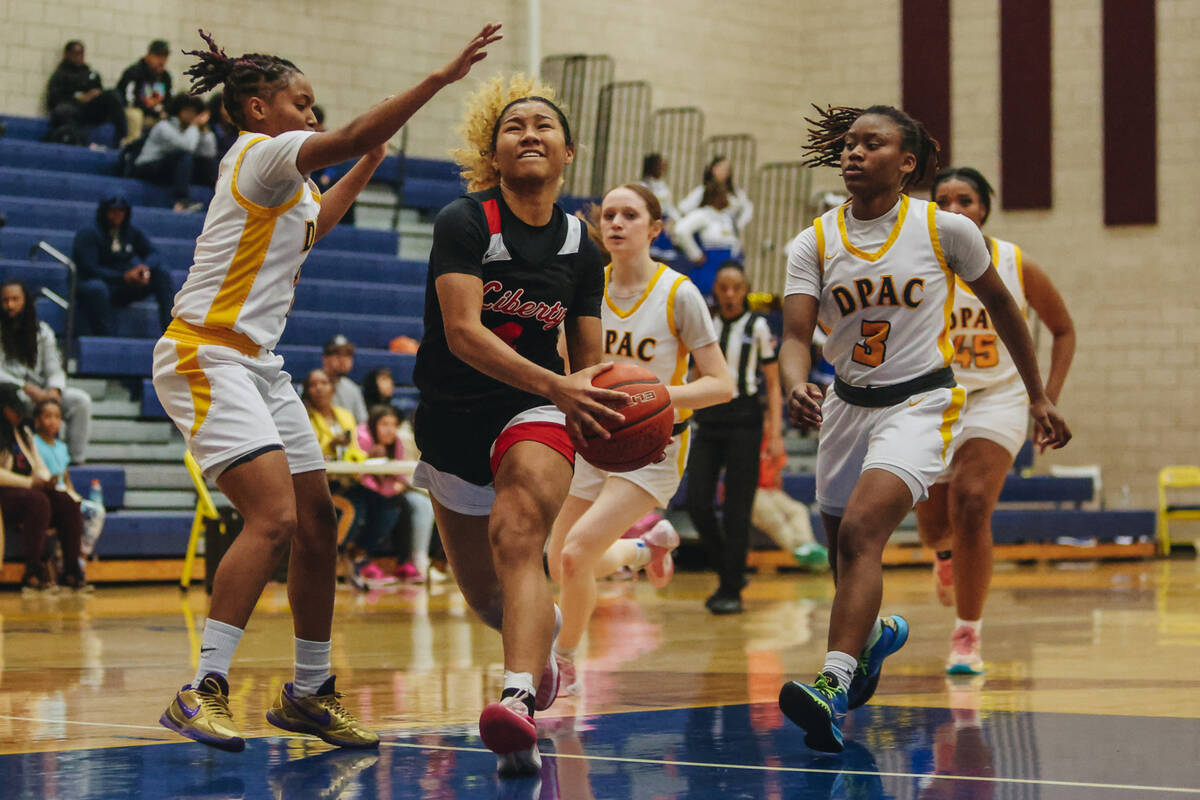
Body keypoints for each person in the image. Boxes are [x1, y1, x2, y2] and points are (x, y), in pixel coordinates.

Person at [150, 24, 501, 753]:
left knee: (318, 522)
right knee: (273, 518)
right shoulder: (260, 155)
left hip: (259, 362)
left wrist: (371, 160)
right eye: (300, 102)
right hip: (204, 353)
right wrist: (435, 81)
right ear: (257, 109)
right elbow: (343, 136)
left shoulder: (287, 185)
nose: (312, 115)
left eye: (315, 106)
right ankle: (202, 688)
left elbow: (317, 225)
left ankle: (309, 693)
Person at [776, 104, 1071, 753]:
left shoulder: (944, 231)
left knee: (861, 533)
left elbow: (1002, 306)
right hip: (847, 406)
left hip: (921, 402)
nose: (853, 153)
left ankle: (832, 683)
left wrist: (1038, 396)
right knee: (844, 551)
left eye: (871, 143)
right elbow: (795, 336)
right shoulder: (814, 242)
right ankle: (875, 636)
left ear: (906, 161)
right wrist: (796, 381)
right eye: (848, 144)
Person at [410, 75, 628, 777]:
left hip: (531, 412)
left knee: (519, 530)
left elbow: (589, 363)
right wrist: (559, 382)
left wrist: (596, 405)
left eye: (543, 125)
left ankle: (517, 703)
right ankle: (546, 634)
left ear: (568, 151)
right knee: (488, 597)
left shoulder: (583, 247)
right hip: (452, 418)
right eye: (513, 127)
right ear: (493, 154)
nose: (529, 133)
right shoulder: (465, 221)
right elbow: (463, 333)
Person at [546, 183, 733, 693]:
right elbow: (567, 369)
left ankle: (562, 663)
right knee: (559, 557)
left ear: (655, 228)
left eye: (630, 214)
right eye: (608, 214)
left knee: (576, 553)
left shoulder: (680, 294)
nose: (616, 223)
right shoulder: (586, 290)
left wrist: (652, 397)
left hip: (654, 446)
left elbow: (722, 383)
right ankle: (644, 548)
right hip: (593, 438)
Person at [916, 166, 1075, 675]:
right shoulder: (918, 262)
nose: (955, 208)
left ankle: (968, 636)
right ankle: (944, 557)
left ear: (984, 207)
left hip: (998, 397)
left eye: (966, 199)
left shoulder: (1012, 261)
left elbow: (1063, 330)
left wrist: (1044, 398)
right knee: (934, 529)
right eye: (943, 200)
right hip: (933, 397)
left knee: (973, 501)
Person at [685, 262, 783, 614]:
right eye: (723, 287)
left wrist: (775, 434)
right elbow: (695, 373)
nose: (729, 294)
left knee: (737, 510)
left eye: (735, 288)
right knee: (697, 501)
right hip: (709, 420)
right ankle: (731, 569)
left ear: (745, 291)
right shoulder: (705, 324)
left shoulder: (758, 326)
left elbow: (772, 382)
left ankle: (730, 590)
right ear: (716, 290)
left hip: (745, 421)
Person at [0, 384, 88, 592]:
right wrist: (31, 483)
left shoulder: (24, 433)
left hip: (27, 491)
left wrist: (46, 479)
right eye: (15, 409)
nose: (20, 413)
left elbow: (39, 466)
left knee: (67, 502)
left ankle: (71, 571)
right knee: (37, 501)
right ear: (4, 409)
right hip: (5, 493)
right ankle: (33, 572)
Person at [0, 280, 93, 464]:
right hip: (12, 394)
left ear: (25, 301)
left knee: (80, 401)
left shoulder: (42, 332)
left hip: (42, 394)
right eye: (5, 300)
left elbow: (54, 368)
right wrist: (25, 387)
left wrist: (54, 390)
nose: (10, 305)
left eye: (15, 299)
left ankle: (74, 461)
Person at [349, 404, 435, 583]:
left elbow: (399, 473)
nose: (390, 430)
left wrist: (396, 487)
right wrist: (387, 490)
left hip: (387, 490)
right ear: (374, 424)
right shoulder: (362, 437)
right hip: (361, 488)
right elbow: (360, 473)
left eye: (393, 424)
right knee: (387, 508)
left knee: (403, 506)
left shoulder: (396, 441)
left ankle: (405, 562)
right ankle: (361, 558)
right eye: (384, 424)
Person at [72, 196, 175, 336]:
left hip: (122, 286)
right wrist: (123, 277)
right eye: (113, 211)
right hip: (97, 285)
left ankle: (171, 331)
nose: (117, 215)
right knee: (97, 288)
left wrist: (144, 267)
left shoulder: (130, 232)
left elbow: (154, 253)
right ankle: (107, 340)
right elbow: (89, 269)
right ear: (104, 211)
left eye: (121, 211)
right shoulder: (89, 233)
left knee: (161, 273)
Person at [133, 93, 219, 213]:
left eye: (194, 112)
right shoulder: (164, 127)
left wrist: (204, 130)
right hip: (148, 166)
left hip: (170, 168)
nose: (190, 115)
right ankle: (182, 201)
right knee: (185, 157)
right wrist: (194, 126)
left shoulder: (190, 130)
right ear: (178, 111)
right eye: (187, 111)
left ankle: (219, 199)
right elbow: (187, 147)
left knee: (206, 163)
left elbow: (209, 152)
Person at [44, 41, 127, 147]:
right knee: (62, 110)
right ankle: (79, 141)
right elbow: (53, 99)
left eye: (81, 53)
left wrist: (96, 95)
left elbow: (99, 91)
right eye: (75, 53)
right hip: (72, 110)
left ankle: (121, 139)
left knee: (113, 95)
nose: (79, 57)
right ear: (67, 54)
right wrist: (78, 98)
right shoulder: (60, 75)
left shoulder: (91, 74)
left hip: (90, 110)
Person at [672, 181, 742, 294]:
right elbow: (680, 230)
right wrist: (696, 255)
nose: (727, 198)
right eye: (724, 194)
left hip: (727, 265)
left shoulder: (725, 216)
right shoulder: (703, 214)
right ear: (715, 196)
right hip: (709, 267)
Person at [301, 369, 366, 464]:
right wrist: (331, 446)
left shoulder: (346, 415)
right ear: (307, 392)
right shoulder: (304, 419)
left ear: (333, 388)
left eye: (324, 383)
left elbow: (355, 448)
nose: (319, 388)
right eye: (313, 385)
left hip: (349, 472)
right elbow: (306, 454)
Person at [678, 155, 753, 236]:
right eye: (721, 169)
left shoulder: (736, 193)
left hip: (728, 231)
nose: (724, 172)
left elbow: (747, 208)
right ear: (713, 169)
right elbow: (683, 208)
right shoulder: (702, 191)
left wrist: (739, 224)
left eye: (727, 170)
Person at [118, 39, 173, 142]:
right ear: (149, 55)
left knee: (172, 121)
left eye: (165, 57)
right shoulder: (135, 72)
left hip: (152, 115)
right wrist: (154, 112)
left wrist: (164, 112)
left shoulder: (165, 77)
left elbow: (168, 100)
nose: (162, 61)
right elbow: (130, 100)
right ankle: (131, 146)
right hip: (131, 110)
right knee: (135, 115)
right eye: (158, 57)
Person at [322, 336, 368, 425]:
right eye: (337, 354)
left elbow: (362, 424)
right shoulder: (314, 385)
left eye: (348, 355)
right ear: (325, 359)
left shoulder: (353, 389)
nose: (343, 360)